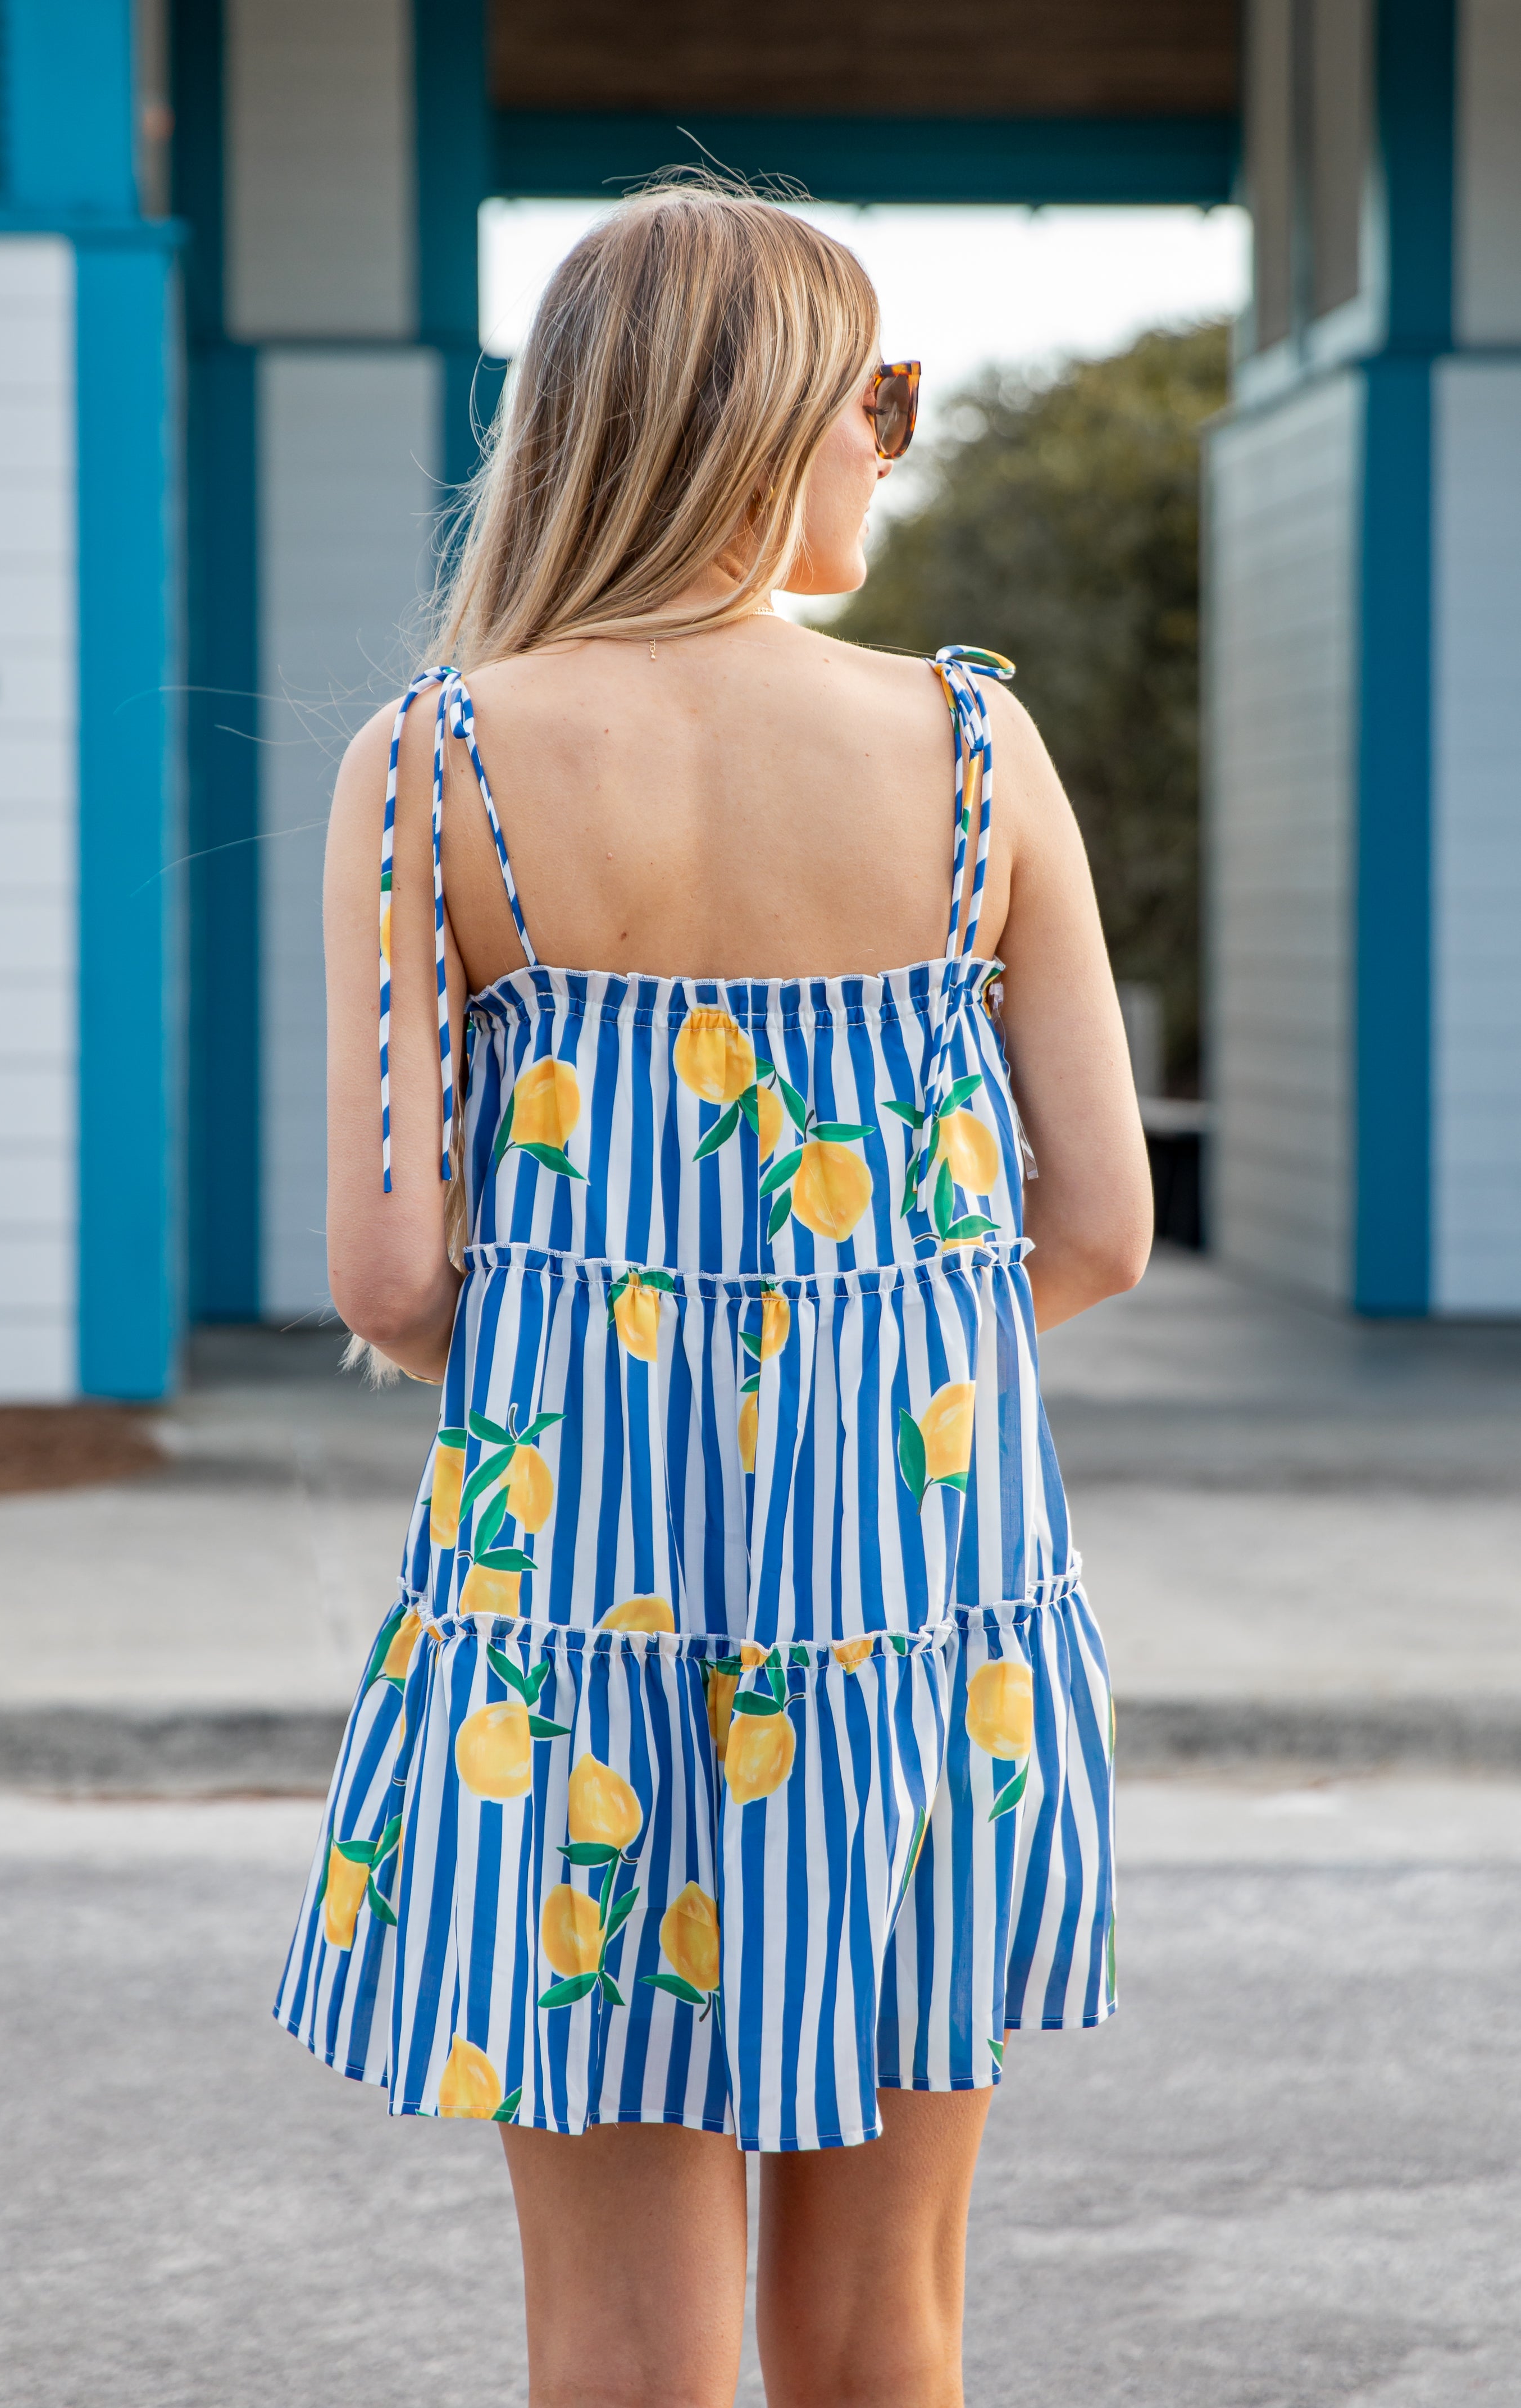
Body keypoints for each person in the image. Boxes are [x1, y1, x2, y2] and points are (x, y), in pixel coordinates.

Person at [276, 182, 1153, 2408]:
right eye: (882, 398)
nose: (890, 443)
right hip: (909, 1605)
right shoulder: (972, 754)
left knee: (617, 2348)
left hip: (570, 1617)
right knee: (880, 2335)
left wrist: (628, 1366)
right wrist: (843, 1369)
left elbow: (389, 1269)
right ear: (766, 419)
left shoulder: (432, 765)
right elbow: (1097, 1226)